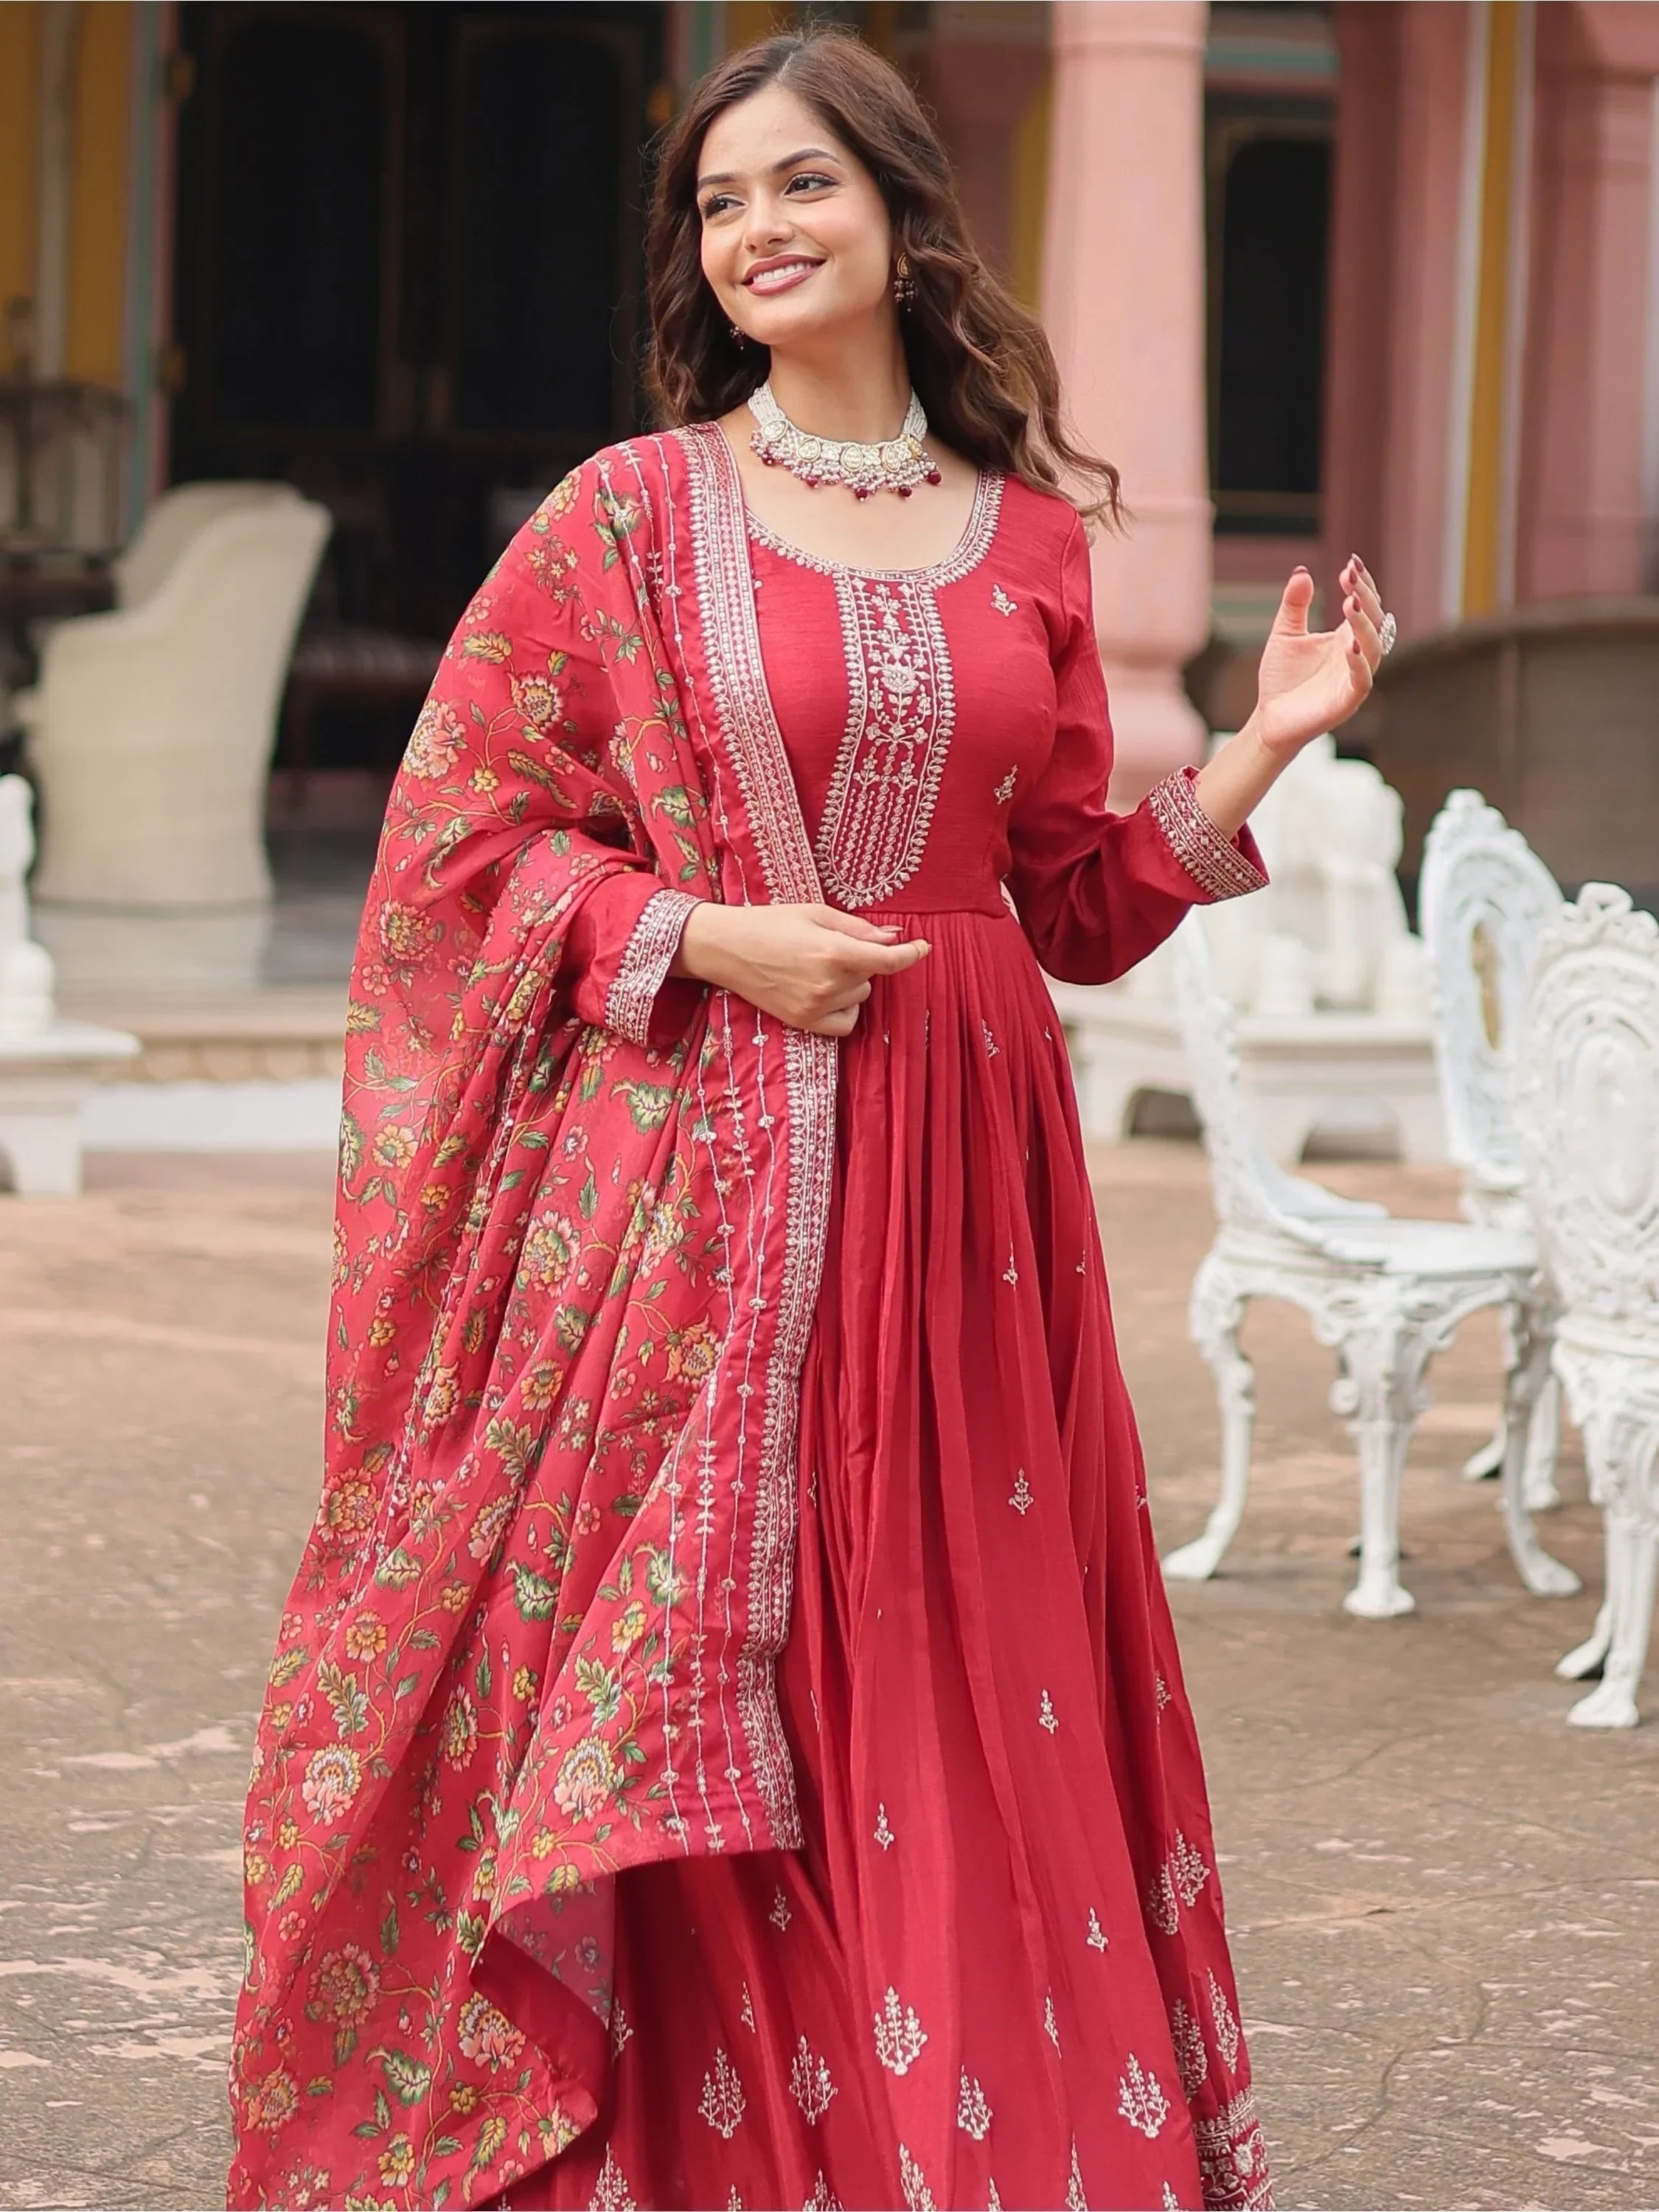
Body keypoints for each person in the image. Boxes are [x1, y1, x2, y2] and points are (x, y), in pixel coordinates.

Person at [228, 30, 1388, 2212]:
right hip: (690, 1190)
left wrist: (1253, 759)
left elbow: (1059, 907)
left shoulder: (1030, 538)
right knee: (699, 1655)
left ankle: (950, 2131)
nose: (754, 232)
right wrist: (700, 937)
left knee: (956, 1667)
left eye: (798, 189)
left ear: (894, 213)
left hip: (970, 1199)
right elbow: (461, 852)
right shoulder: (623, 520)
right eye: (715, 202)